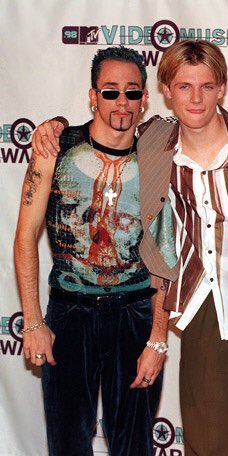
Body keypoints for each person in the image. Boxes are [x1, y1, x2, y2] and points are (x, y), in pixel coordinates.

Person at [32, 40, 228, 456]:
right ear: (166, 91)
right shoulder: (151, 138)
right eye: (184, 87)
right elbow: (104, 127)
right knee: (210, 443)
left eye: (207, 86)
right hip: (203, 310)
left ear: (222, 88)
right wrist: (56, 126)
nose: (196, 98)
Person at [14, 46, 176, 456]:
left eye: (132, 92)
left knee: (134, 446)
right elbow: (25, 235)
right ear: (93, 96)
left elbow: (165, 253)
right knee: (67, 443)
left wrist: (158, 337)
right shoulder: (57, 148)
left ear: (144, 98)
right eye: (110, 91)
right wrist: (32, 320)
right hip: (70, 313)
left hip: (135, 315)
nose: (122, 101)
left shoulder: (158, 158)